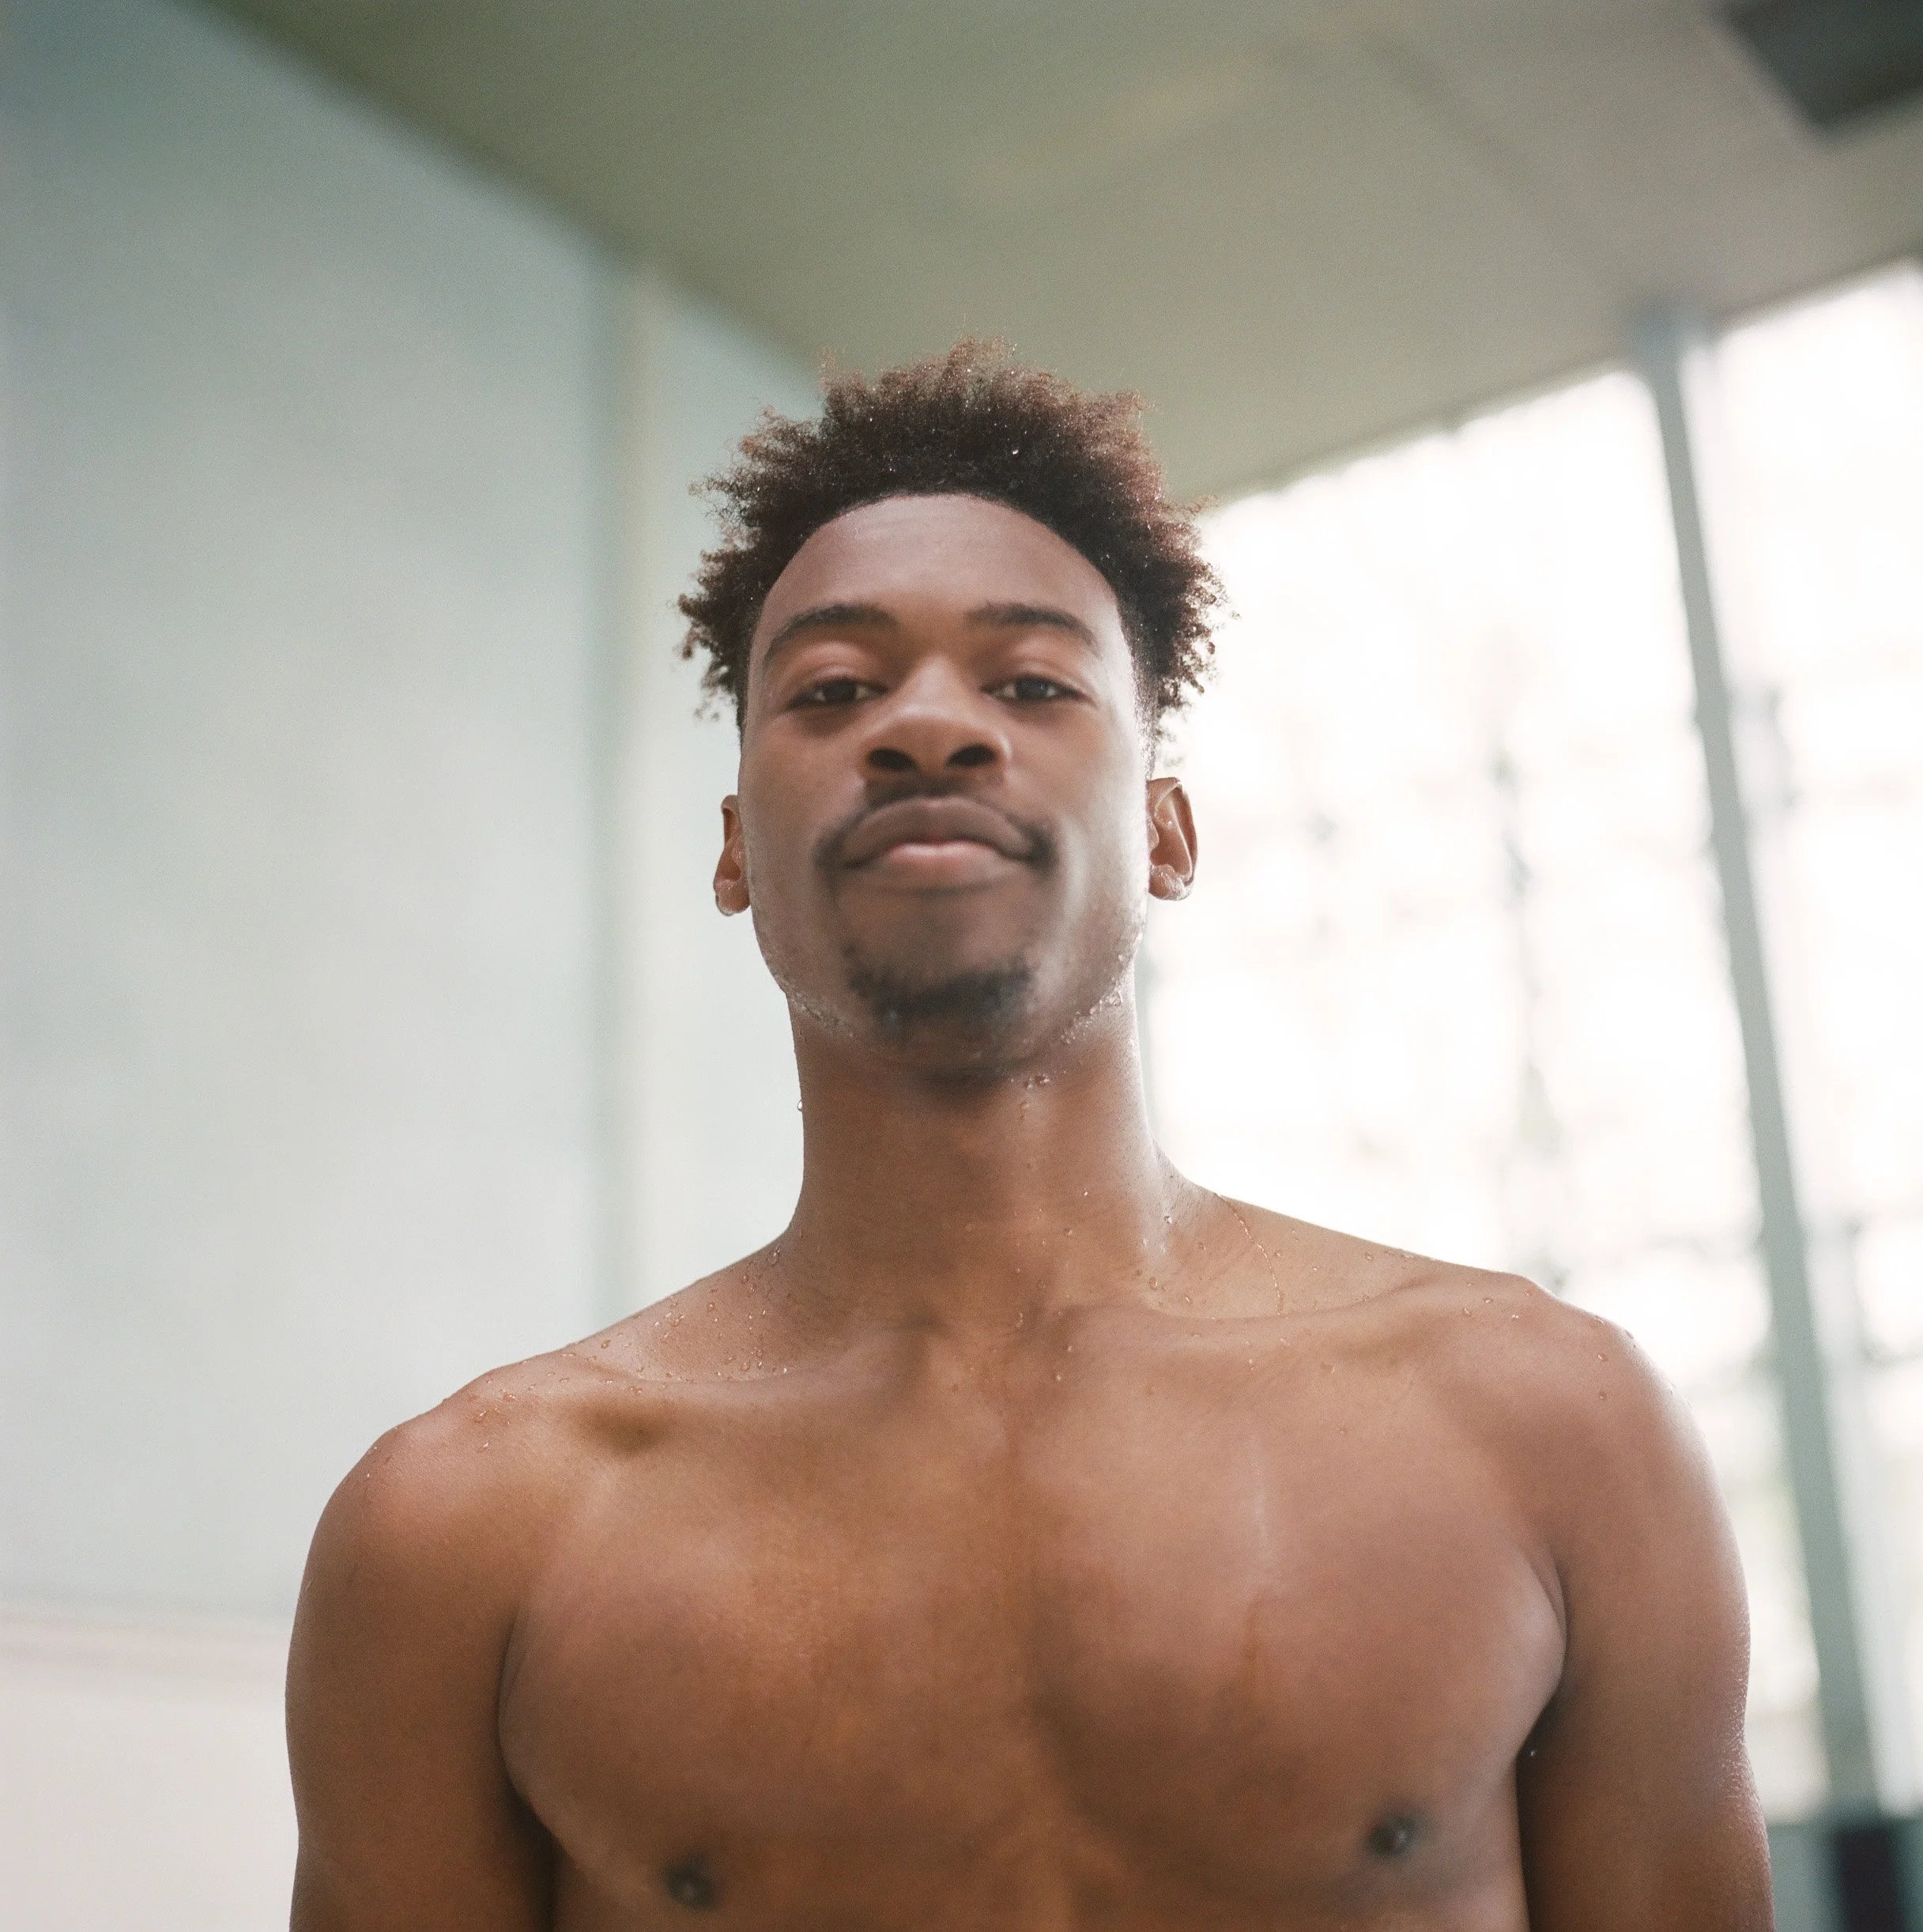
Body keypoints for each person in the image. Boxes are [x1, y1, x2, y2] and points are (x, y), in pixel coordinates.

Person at [286, 344, 1772, 1930]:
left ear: (1166, 831)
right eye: (836, 689)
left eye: (1033, 682)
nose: (929, 726)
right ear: (733, 847)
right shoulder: (462, 1534)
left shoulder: (1551, 1431)